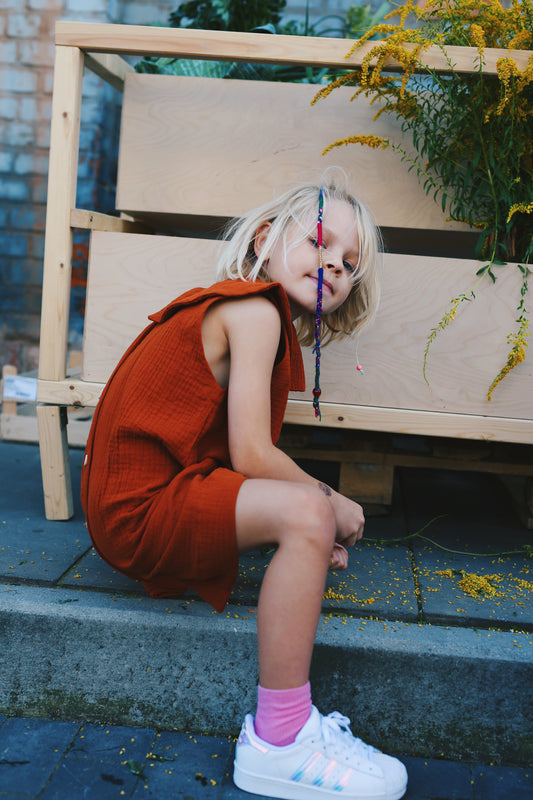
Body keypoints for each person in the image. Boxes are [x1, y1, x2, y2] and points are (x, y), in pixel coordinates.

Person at [81, 179, 407, 800]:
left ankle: (287, 725)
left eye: (350, 264)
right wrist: (325, 505)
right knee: (308, 513)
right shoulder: (254, 309)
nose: (335, 264)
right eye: (319, 241)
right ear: (265, 239)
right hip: (138, 512)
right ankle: (280, 740)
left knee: (302, 521)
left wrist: (300, 530)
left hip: (140, 505)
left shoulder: (252, 314)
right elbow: (252, 453)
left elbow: (231, 457)